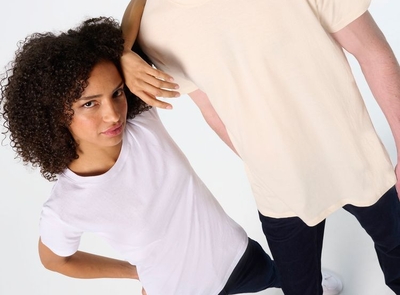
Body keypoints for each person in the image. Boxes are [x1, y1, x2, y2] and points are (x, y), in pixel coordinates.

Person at [26, 0, 400, 294]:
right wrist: (271, 164)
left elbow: (373, 53)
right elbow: (212, 111)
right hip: (278, 194)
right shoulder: (150, 32)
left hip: (361, 161)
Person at [0, 17, 282, 295]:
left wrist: (123, 53)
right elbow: (54, 260)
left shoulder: (141, 119)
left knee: (300, 282)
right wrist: (134, 272)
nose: (113, 115)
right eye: (90, 104)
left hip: (239, 258)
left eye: (116, 93)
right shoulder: (66, 205)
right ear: (55, 114)